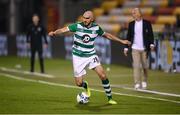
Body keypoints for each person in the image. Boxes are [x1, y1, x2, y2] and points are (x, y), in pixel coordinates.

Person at [49, 11, 130, 104]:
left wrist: (122, 41)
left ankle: (110, 98)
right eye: (83, 17)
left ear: (92, 19)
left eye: (87, 18)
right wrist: (55, 32)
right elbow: (63, 30)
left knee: (102, 75)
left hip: (91, 54)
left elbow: (108, 35)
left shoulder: (96, 28)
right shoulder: (77, 26)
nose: (84, 20)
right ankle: (85, 86)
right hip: (78, 56)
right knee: (79, 83)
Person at [124, 8, 154, 90]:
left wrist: (151, 44)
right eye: (132, 13)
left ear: (139, 14)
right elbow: (129, 36)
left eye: (134, 13)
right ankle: (137, 83)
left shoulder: (147, 23)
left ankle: (144, 80)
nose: (133, 14)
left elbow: (151, 35)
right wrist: (126, 48)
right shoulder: (131, 24)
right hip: (135, 48)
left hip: (144, 48)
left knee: (145, 66)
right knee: (136, 65)